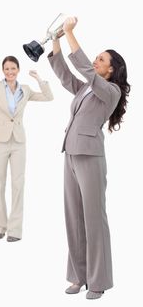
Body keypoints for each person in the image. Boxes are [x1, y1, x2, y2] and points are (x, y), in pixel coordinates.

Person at [48, 17, 130, 299]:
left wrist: (71, 33)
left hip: (90, 157)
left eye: (101, 59)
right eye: (96, 57)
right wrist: (56, 38)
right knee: (73, 218)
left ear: (112, 68)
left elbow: (85, 71)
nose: (95, 61)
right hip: (69, 154)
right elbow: (65, 76)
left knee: (94, 219)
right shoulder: (86, 88)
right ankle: (78, 276)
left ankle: (99, 280)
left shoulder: (111, 91)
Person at [0, 56, 53, 242]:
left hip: (19, 142)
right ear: (3, 70)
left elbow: (48, 97)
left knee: (18, 185)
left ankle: (14, 230)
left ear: (18, 70)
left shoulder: (26, 90)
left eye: (13, 68)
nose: (10, 72)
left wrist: (39, 79)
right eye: (6, 69)